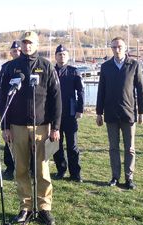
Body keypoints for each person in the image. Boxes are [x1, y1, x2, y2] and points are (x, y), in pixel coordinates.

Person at [0, 31, 61, 225]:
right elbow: (3, 99)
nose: (27, 46)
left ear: (37, 44)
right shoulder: (11, 67)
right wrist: (5, 126)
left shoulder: (46, 66)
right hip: (17, 126)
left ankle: (44, 208)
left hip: (42, 126)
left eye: (30, 43)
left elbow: (56, 99)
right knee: (21, 169)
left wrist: (56, 127)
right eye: (24, 43)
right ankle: (25, 207)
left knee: (42, 170)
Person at [96, 37, 143, 190]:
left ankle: (129, 178)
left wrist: (142, 112)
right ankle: (115, 177)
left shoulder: (134, 65)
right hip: (110, 114)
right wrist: (99, 112)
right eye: (114, 47)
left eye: (119, 47)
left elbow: (141, 90)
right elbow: (101, 91)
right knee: (113, 148)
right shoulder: (106, 67)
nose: (117, 50)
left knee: (130, 148)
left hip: (128, 113)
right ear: (111, 49)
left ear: (125, 48)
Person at [53, 45, 84, 182]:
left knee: (72, 145)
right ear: (55, 56)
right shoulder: (51, 71)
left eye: (64, 54)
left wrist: (80, 109)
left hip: (70, 113)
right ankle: (61, 170)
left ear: (68, 56)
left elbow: (80, 92)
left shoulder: (73, 72)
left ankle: (75, 173)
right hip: (55, 115)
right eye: (59, 54)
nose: (61, 56)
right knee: (56, 145)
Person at [0, 40, 21, 180]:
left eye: (18, 50)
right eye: (13, 51)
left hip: (21, 110)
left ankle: (27, 166)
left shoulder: (25, 65)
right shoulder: (6, 67)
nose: (16, 53)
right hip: (7, 108)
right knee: (8, 137)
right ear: (10, 53)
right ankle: (10, 166)